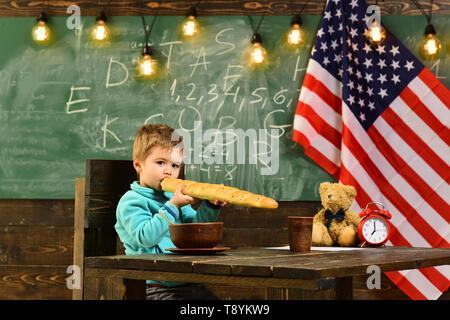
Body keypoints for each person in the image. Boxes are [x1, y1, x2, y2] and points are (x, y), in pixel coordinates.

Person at [115, 124, 228, 300]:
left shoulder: (173, 197)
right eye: (161, 162)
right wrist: (173, 205)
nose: (169, 171)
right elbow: (145, 237)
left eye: (175, 165)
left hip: (188, 282)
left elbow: (193, 233)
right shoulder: (131, 202)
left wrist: (211, 206)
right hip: (152, 287)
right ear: (139, 164)